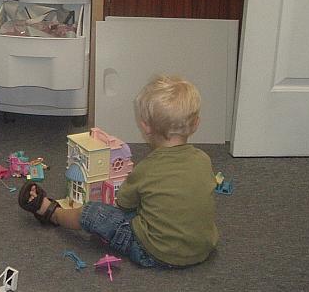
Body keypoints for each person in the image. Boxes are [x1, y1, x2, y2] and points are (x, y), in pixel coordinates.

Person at [18, 74, 218, 268]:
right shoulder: (204, 159)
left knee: (93, 213)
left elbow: (123, 204)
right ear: (196, 124)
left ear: (146, 127)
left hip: (153, 253)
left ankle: (53, 213)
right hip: (202, 248)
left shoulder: (147, 169)